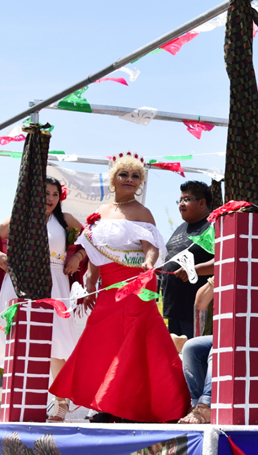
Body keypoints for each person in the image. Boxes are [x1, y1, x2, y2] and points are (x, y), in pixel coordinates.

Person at [49, 152, 190, 423]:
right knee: (103, 343)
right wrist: (90, 282)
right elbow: (95, 250)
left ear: (141, 183)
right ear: (114, 179)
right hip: (109, 286)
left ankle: (126, 407)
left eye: (136, 176)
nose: (130, 179)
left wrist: (148, 266)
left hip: (139, 283)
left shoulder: (143, 212)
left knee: (136, 344)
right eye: (124, 175)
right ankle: (108, 403)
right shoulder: (101, 212)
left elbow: (150, 248)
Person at [0, 176, 87, 422]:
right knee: (17, 340)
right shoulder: (19, 218)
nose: (49, 199)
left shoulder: (65, 220)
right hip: (21, 283)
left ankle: (60, 402)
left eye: (54, 194)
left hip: (55, 282)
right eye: (44, 193)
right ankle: (16, 398)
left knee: (55, 339)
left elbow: (90, 238)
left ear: (60, 198)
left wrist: (78, 257)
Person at [160, 180, 215, 339]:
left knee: (192, 356)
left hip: (196, 310)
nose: (181, 204)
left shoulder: (213, 227)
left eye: (186, 199)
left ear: (202, 202)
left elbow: (224, 261)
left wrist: (195, 270)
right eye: (180, 200)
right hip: (173, 309)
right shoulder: (180, 228)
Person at [178, 277, 214, 424]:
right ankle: (198, 405)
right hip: (223, 334)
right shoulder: (226, 266)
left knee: (219, 347)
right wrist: (220, 276)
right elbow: (200, 303)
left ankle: (207, 405)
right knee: (191, 347)